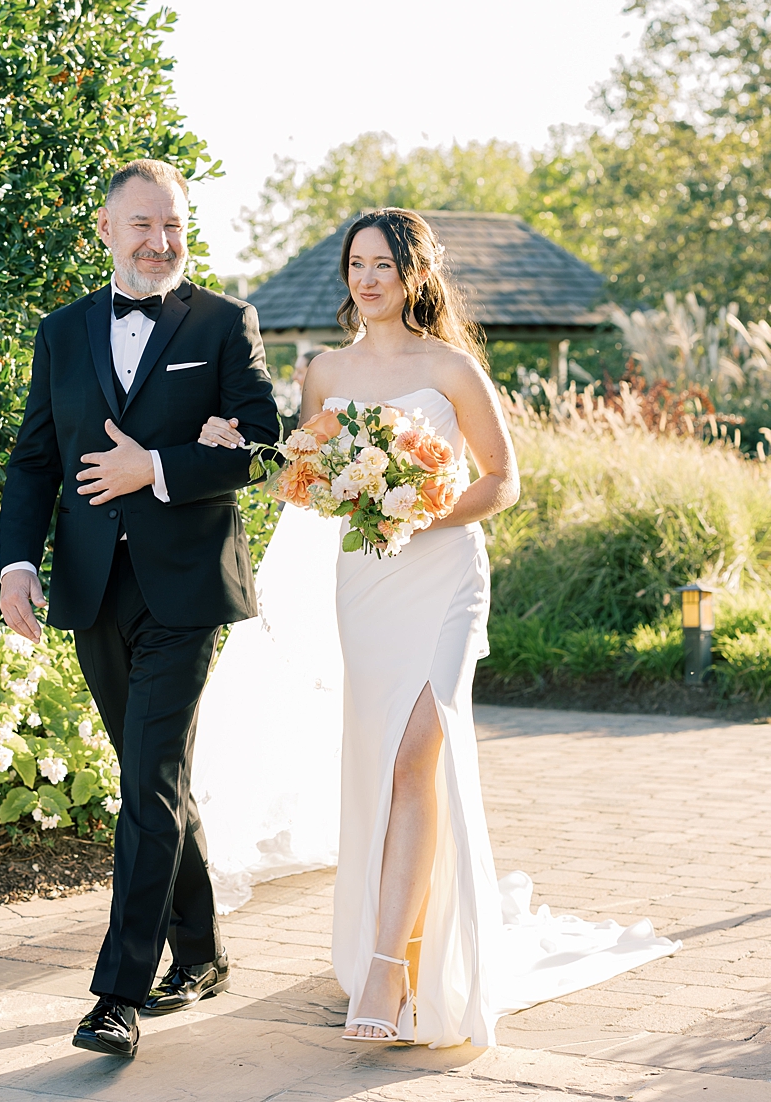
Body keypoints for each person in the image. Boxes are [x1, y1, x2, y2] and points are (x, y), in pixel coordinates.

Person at [194, 208, 678, 1045]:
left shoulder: (451, 367)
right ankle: (402, 940)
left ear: (415, 276)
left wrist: (421, 509)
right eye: (357, 264)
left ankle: (385, 976)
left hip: (445, 576)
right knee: (384, 766)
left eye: (383, 264)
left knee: (421, 747)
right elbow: (304, 483)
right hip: (366, 587)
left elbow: (505, 482)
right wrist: (241, 451)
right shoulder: (323, 372)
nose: (367, 278)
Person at [0, 158, 281, 1062]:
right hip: (91, 586)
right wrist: (15, 564)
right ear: (108, 230)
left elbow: (264, 444)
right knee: (154, 777)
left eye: (176, 227)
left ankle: (117, 993)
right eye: (145, 226)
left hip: (188, 588)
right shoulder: (61, 331)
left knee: (147, 778)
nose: (163, 243)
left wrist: (152, 468)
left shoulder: (225, 323)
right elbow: (35, 459)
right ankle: (200, 951)